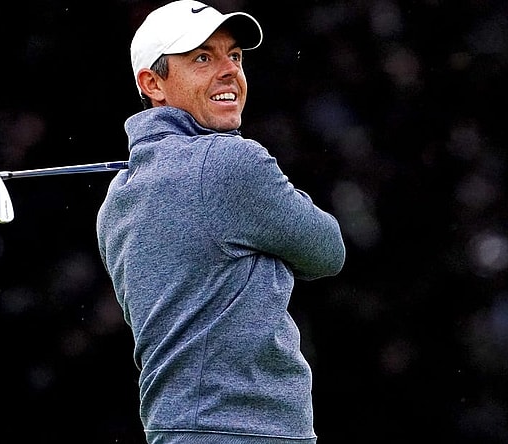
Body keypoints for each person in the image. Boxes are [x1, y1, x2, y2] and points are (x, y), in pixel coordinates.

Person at [96, 1, 346, 443]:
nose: (230, 70)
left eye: (235, 56)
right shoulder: (231, 161)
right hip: (250, 432)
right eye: (202, 58)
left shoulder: (118, 197)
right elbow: (328, 249)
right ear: (152, 83)